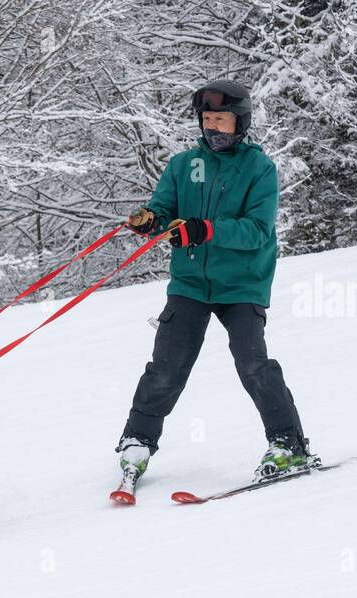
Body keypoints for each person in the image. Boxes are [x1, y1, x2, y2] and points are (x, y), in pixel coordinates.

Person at [117, 78, 315, 491]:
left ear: (240, 122)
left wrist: (204, 230)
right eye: (207, 119)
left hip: (242, 284)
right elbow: (164, 208)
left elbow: (257, 231)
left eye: (221, 119)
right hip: (190, 281)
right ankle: (138, 440)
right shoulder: (183, 164)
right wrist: (151, 220)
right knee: (166, 369)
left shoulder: (259, 169)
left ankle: (288, 442)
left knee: (252, 364)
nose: (212, 128)